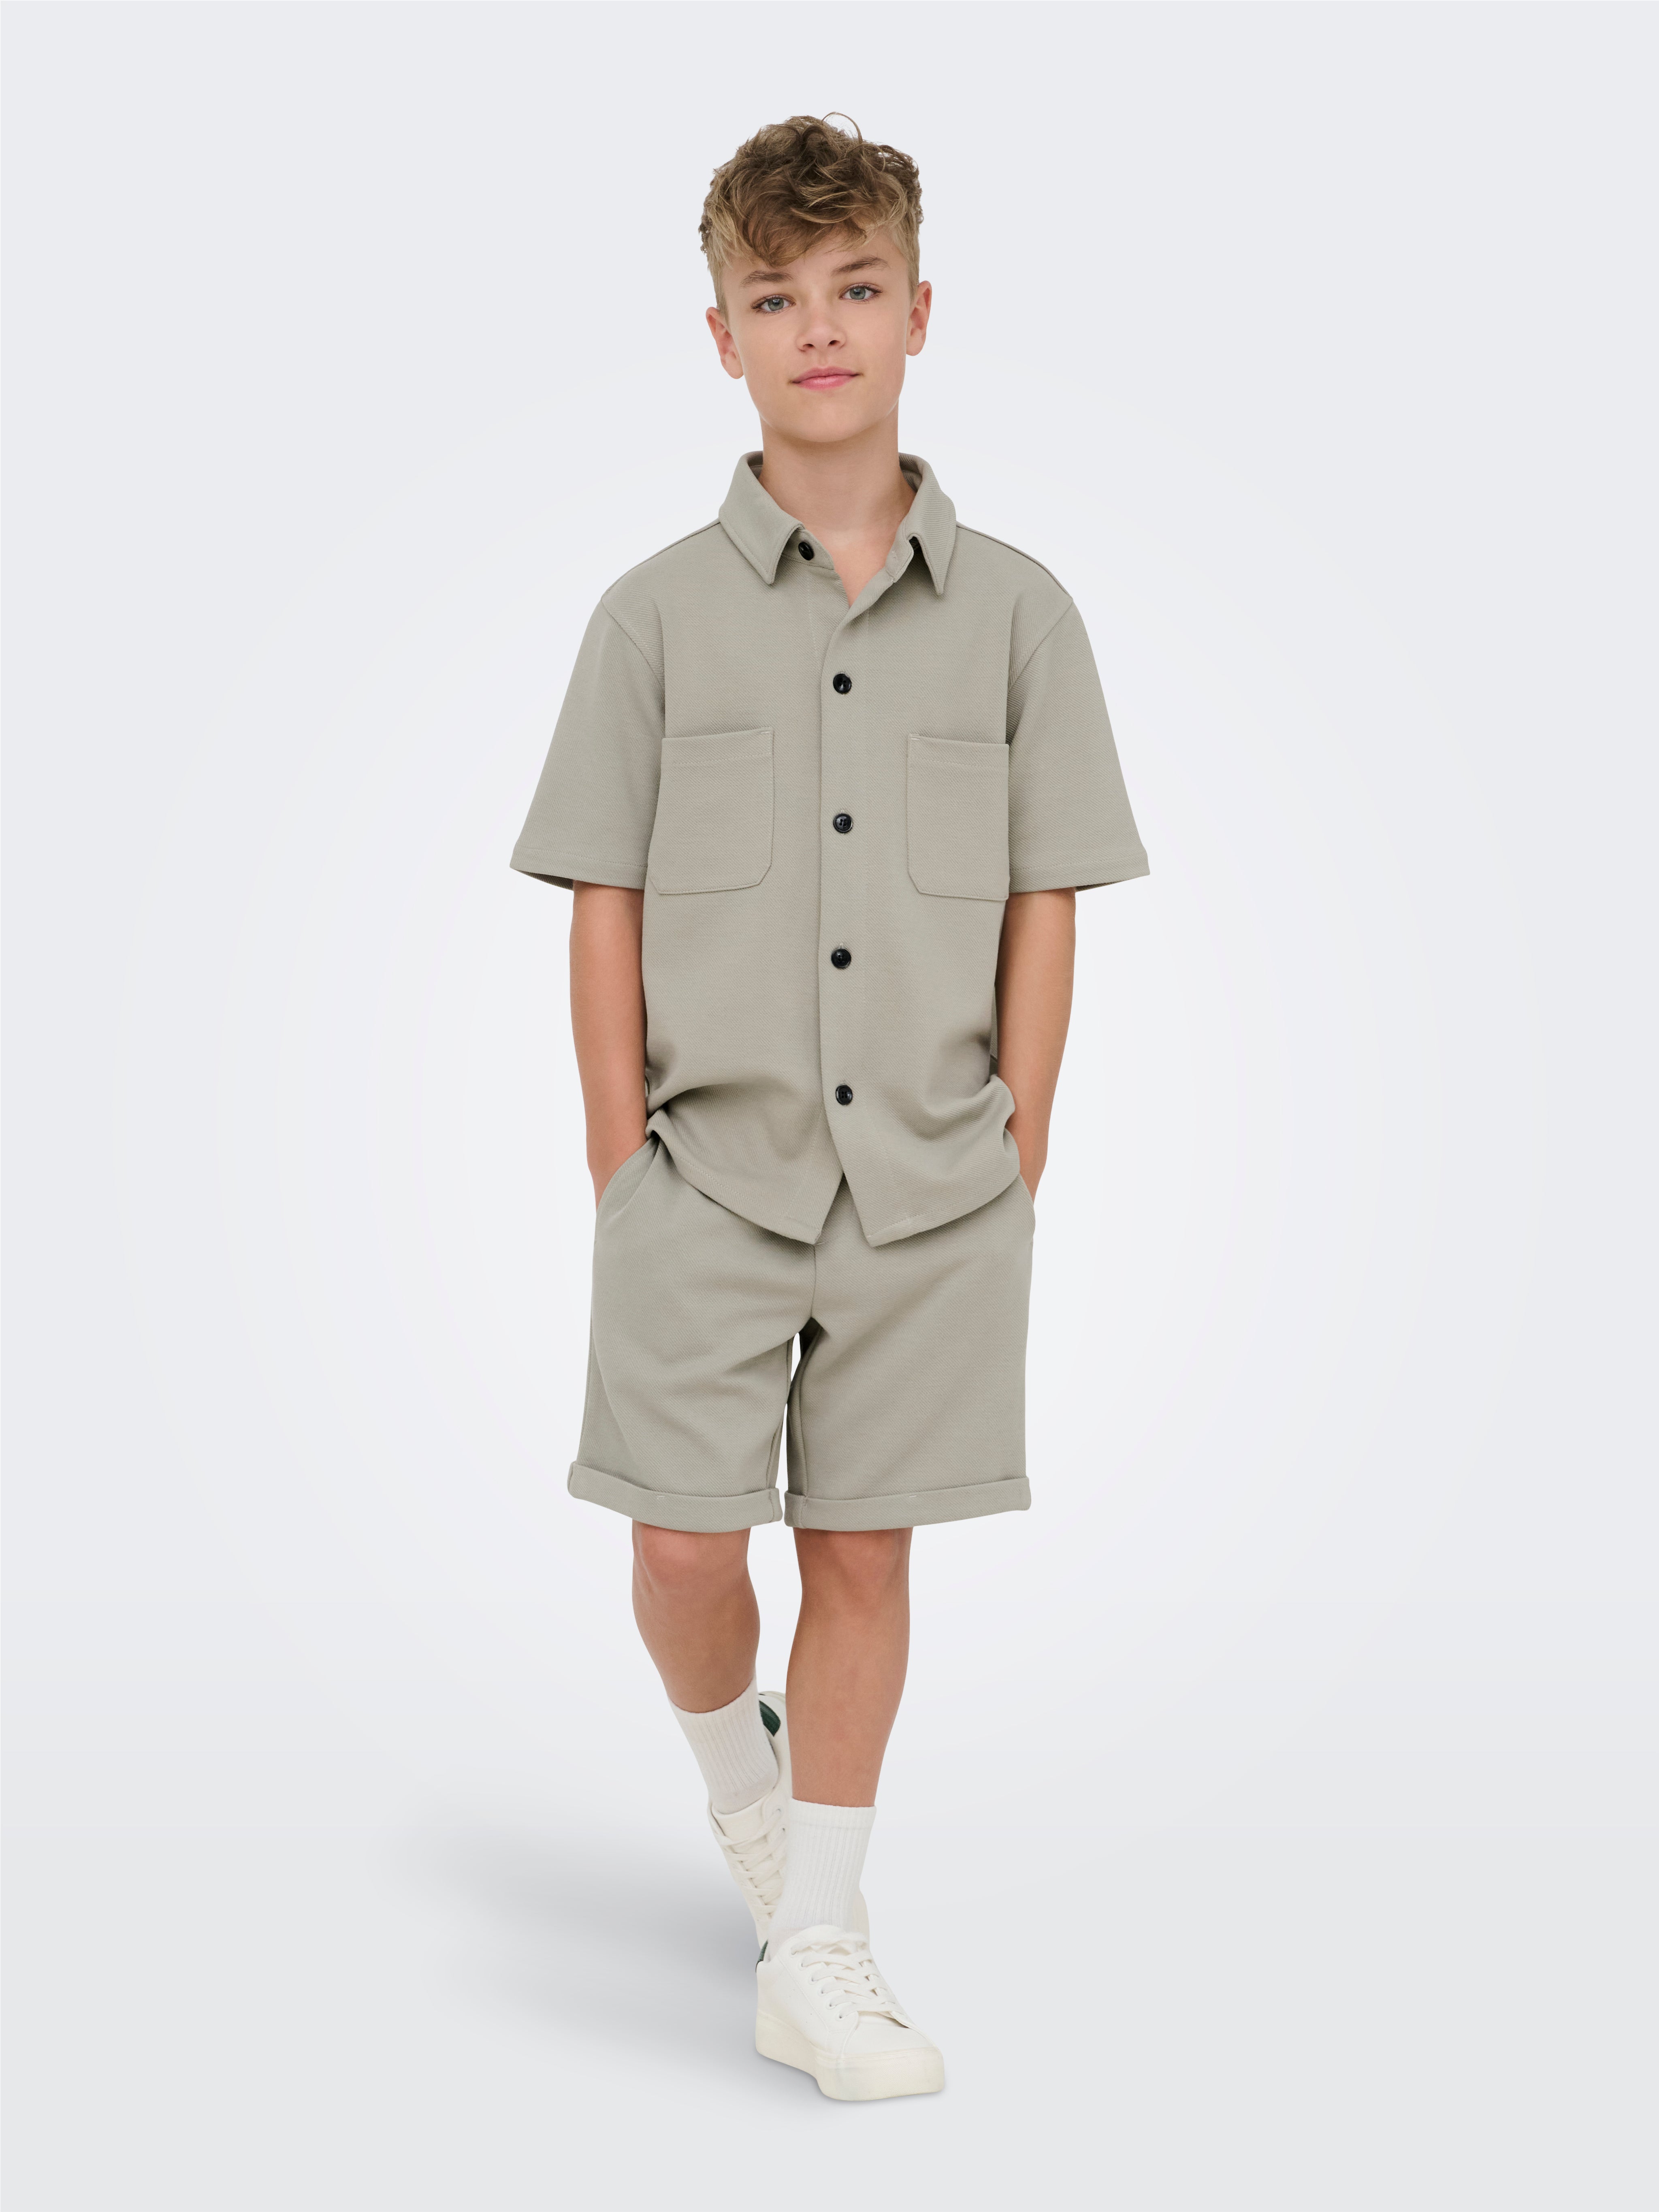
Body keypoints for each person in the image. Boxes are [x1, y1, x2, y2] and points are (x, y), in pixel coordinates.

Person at [510, 114, 1148, 2101]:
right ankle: (750, 1796)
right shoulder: (650, 617)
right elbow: (601, 899)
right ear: (721, 335)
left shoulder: (1022, 614)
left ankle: (823, 1946)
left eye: (855, 287)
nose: (819, 329)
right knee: (683, 1551)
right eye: (774, 296)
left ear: (918, 312)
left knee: (864, 1553)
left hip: (938, 1187)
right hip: (702, 1173)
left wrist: (1020, 1143)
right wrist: (618, 1164)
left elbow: (1048, 897)